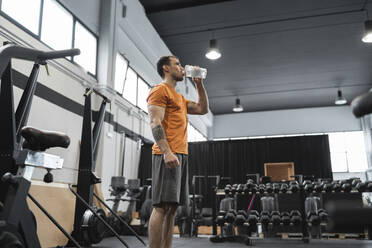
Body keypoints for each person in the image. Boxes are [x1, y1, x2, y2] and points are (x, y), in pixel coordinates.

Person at [147, 55, 209, 248]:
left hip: (180, 154)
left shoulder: (180, 98)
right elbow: (155, 121)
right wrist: (167, 152)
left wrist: (198, 84)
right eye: (177, 64)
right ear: (166, 68)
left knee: (172, 209)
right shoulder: (160, 90)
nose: (182, 68)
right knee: (161, 207)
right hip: (167, 153)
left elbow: (202, 109)